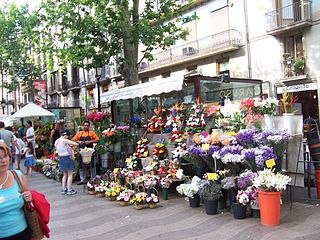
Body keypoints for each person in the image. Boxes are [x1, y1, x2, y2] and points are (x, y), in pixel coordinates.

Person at [0, 142, 33, 239]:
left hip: (23, 233)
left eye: (5, 156)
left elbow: (29, 199)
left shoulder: (17, 176)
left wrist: (28, 198)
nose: (3, 160)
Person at [71, 121, 99, 185]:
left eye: (87, 125)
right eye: (85, 125)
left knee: (92, 166)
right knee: (82, 166)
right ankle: (82, 179)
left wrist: (90, 141)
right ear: (82, 126)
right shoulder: (80, 133)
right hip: (82, 152)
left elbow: (97, 140)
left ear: (89, 126)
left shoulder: (92, 133)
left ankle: (93, 179)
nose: (86, 127)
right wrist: (79, 141)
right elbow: (72, 140)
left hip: (90, 152)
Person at [55, 130, 78, 195]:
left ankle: (63, 189)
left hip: (61, 158)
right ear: (65, 135)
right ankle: (69, 190)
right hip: (67, 157)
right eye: (67, 136)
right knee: (70, 174)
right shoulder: (64, 140)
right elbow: (75, 144)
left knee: (64, 174)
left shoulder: (57, 141)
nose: (67, 137)